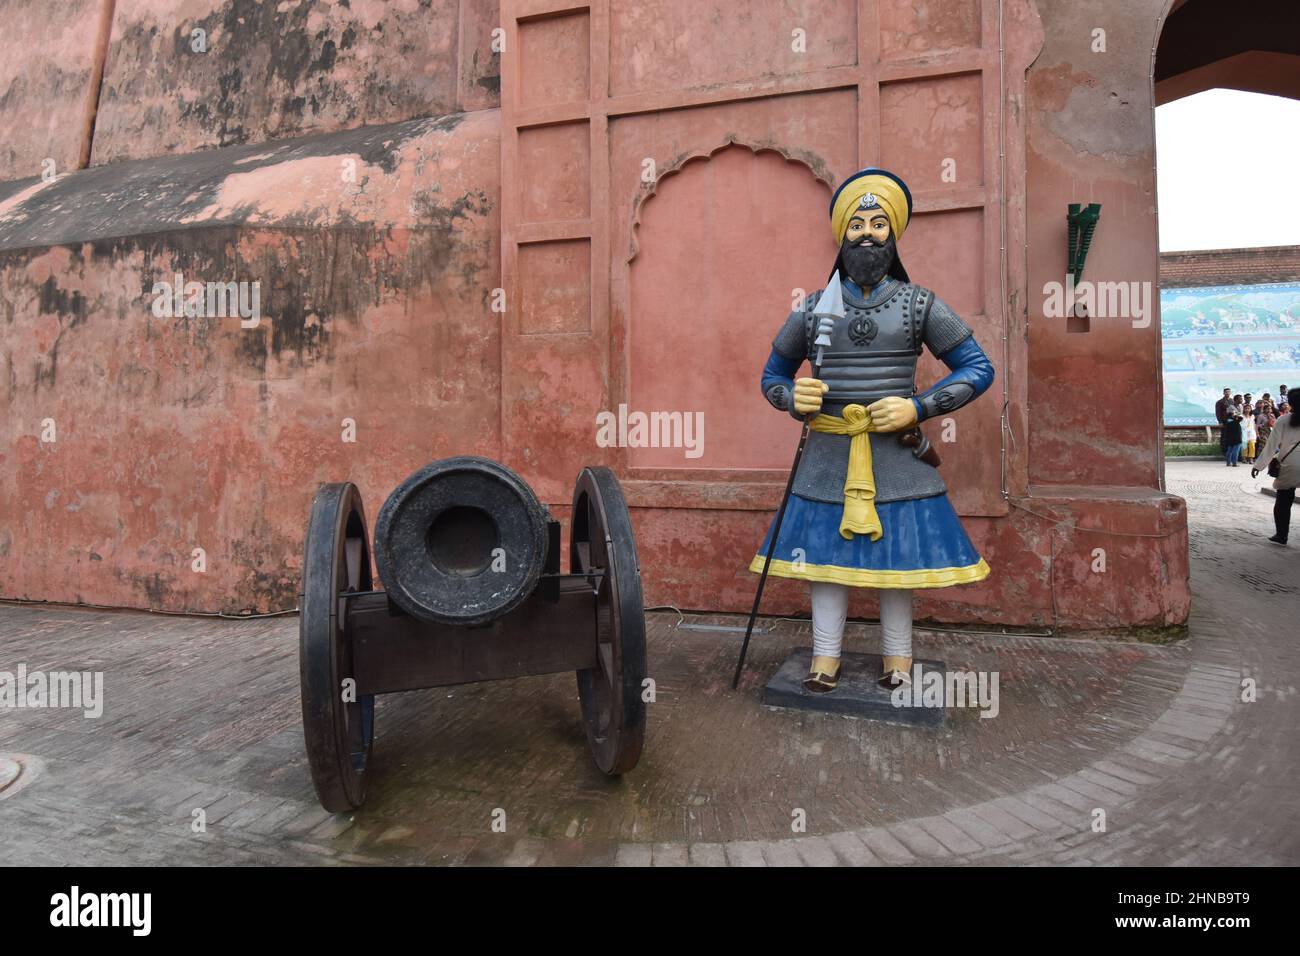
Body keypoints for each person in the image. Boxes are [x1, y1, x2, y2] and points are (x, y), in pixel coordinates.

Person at [752, 167, 994, 692]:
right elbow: (772, 376)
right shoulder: (813, 308)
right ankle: (824, 658)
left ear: (894, 234)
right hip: (828, 451)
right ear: (841, 233)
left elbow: (978, 368)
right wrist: (794, 398)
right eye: (857, 223)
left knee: (898, 564)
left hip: (895, 455)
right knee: (825, 563)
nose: (866, 232)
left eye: (878, 223)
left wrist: (920, 407)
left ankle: (899, 660)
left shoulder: (920, 304)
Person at [1252, 403, 1300, 545]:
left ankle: (1282, 535)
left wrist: (1259, 465)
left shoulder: (1284, 420)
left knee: (1283, 501)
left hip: (1290, 463)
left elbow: (1272, 445)